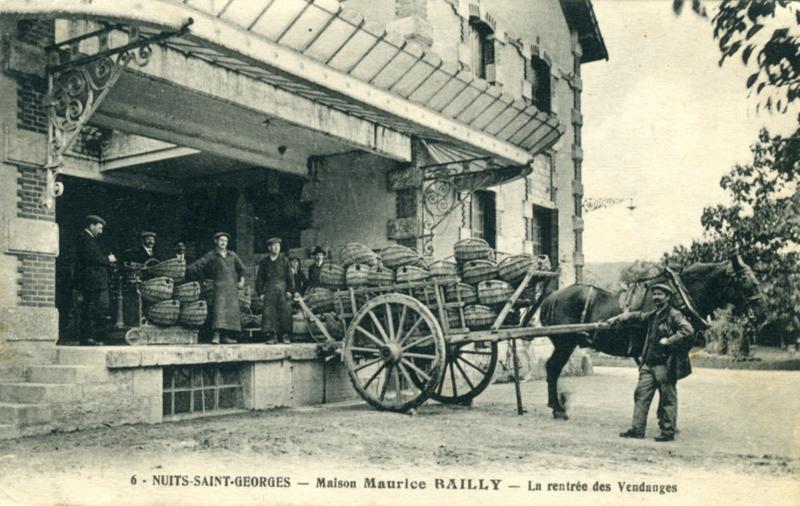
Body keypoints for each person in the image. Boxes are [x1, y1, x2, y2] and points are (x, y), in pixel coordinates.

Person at [603, 283, 694, 442]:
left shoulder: (674, 315)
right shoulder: (654, 315)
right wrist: (614, 320)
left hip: (664, 365)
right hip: (648, 364)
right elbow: (635, 317)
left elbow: (688, 330)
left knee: (667, 399)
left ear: (668, 297)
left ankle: (667, 432)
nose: (656, 297)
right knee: (640, 395)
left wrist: (669, 340)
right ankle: (637, 429)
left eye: (660, 294)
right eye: (655, 294)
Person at [187, 232, 245, 344]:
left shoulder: (232, 255)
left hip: (231, 288)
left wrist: (241, 281)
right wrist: (186, 269)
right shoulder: (211, 255)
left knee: (230, 313)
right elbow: (199, 264)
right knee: (218, 312)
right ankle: (216, 335)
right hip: (218, 288)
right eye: (221, 240)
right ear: (216, 241)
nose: (223, 243)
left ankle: (226, 336)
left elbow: (242, 269)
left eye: (225, 241)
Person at [73, 215, 117, 346]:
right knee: (90, 309)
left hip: (92, 281)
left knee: (91, 309)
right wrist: (108, 260)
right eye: (99, 227)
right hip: (90, 282)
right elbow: (93, 259)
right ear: (91, 226)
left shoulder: (89, 239)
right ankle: (88, 338)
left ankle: (88, 337)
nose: (101, 231)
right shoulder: (86, 239)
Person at [256, 238, 296, 344]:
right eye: (274, 245)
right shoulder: (264, 262)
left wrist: (290, 291)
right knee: (269, 313)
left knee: (285, 312)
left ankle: (285, 335)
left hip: (283, 290)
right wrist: (260, 292)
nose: (277, 247)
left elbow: (290, 278)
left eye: (278, 245)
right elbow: (260, 279)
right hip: (269, 289)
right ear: (269, 247)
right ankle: (271, 336)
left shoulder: (285, 261)